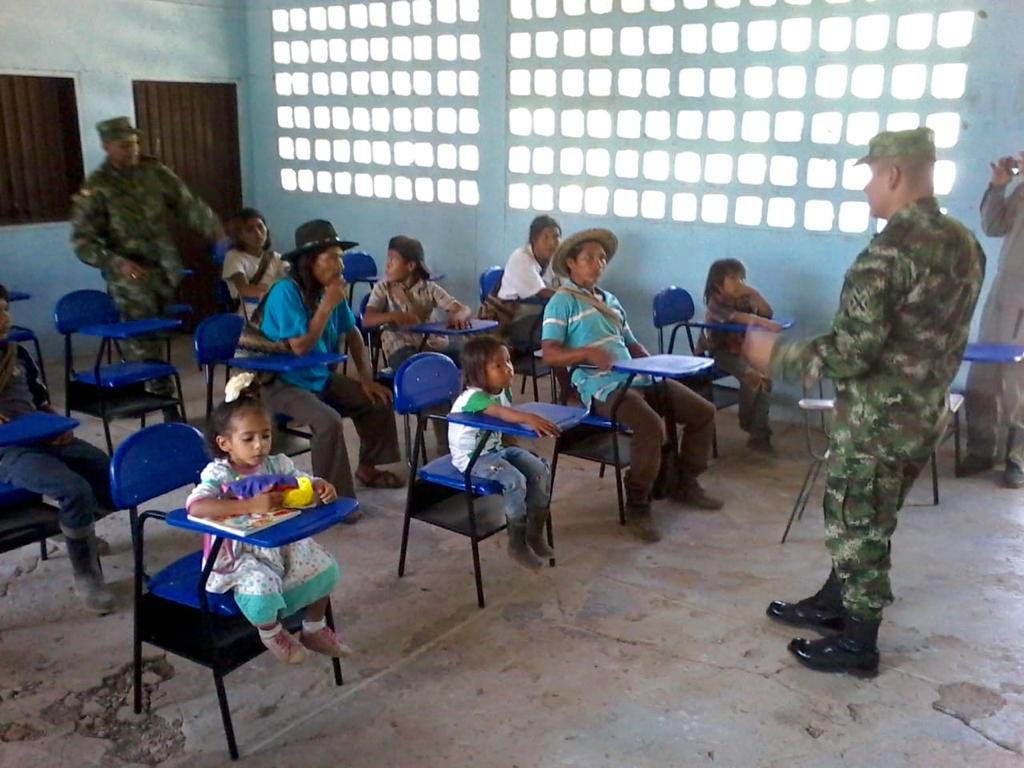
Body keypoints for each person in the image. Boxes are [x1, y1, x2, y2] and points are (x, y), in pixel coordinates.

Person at [744, 127, 985, 676]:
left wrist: (775, 355)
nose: (866, 188)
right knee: (874, 513)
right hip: (926, 411)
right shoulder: (964, 244)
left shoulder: (889, 252)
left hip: (880, 419)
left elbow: (852, 352)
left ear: (893, 174)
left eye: (871, 176)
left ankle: (858, 643)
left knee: (857, 522)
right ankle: (835, 601)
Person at [540, 229, 721, 544]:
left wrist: (656, 366)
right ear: (571, 263)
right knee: (650, 426)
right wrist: (586, 353)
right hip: (603, 385)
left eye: (602, 259)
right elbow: (550, 354)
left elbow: (632, 343)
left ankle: (685, 481)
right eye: (589, 258)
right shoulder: (562, 301)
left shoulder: (610, 300)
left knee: (703, 412)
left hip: (638, 376)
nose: (598, 264)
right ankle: (638, 503)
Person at [185, 374, 350, 664]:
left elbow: (301, 481)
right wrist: (249, 505)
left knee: (324, 565)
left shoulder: (277, 464)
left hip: (278, 544)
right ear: (225, 443)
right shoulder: (220, 474)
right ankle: (271, 632)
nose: (259, 446)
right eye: (248, 439)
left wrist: (320, 485)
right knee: (260, 586)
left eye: (265, 435)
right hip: (238, 555)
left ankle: (313, 628)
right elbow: (196, 508)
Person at [70, 116, 222, 421]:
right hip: (129, 278)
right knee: (143, 345)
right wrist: (117, 262)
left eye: (135, 143)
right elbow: (82, 241)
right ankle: (167, 408)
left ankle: (155, 397)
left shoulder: (154, 173)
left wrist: (216, 231)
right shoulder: (97, 187)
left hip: (164, 271)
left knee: (157, 338)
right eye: (124, 145)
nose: (132, 150)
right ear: (106, 146)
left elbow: (187, 204)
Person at [259, 219, 402, 500]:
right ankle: (334, 497)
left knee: (377, 400)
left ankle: (368, 468)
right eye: (332, 258)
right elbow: (300, 347)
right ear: (309, 262)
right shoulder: (286, 292)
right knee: (328, 422)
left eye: (340, 258)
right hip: (280, 383)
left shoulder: (329, 291)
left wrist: (366, 379)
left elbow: (353, 334)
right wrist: (326, 307)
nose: (340, 266)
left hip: (318, 377)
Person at [0, 285, 116, 614]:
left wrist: (58, 427)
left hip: (42, 435)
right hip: (7, 452)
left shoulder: (17, 353)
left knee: (109, 474)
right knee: (74, 489)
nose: (4, 318)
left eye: (5, 309)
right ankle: (87, 573)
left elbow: (40, 401)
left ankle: (72, 527)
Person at [448, 336, 560, 569]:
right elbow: (501, 414)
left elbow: (504, 425)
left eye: (508, 361)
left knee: (539, 470)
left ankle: (534, 534)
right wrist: (529, 418)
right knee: (514, 480)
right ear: (478, 373)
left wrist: (516, 446)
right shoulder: (473, 397)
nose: (508, 368)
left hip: (496, 448)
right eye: (498, 365)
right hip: (473, 458)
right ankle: (516, 544)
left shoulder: (502, 391)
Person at [961, 152, 1024, 489]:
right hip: (1004, 291)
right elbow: (993, 226)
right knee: (983, 374)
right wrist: (998, 187)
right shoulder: (1021, 192)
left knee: (1019, 382)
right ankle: (982, 448)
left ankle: (1019, 458)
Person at [697, 259, 781, 452]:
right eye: (733, 279)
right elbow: (742, 318)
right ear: (718, 283)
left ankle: (759, 435)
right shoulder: (715, 303)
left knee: (766, 380)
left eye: (741, 278)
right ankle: (748, 422)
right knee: (752, 376)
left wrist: (755, 294)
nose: (740, 283)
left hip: (744, 350)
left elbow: (767, 312)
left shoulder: (744, 299)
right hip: (720, 352)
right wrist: (764, 324)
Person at [363, 235, 472, 371]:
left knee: (469, 355)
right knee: (419, 367)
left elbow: (462, 308)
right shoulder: (383, 288)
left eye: (393, 259)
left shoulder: (428, 288)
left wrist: (459, 315)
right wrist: (393, 316)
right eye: (388, 258)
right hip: (401, 348)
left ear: (410, 266)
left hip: (432, 345)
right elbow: (367, 320)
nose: (387, 265)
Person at [493, 215, 562, 348]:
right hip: (512, 316)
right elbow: (542, 292)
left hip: (536, 312)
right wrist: (574, 295)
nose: (552, 242)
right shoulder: (521, 258)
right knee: (563, 333)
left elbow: (564, 284)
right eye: (546, 237)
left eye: (556, 237)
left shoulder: (554, 259)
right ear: (534, 239)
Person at [221, 208, 288, 313]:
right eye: (249, 229)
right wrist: (275, 292)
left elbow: (292, 277)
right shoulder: (233, 256)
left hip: (279, 308)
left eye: (260, 227)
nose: (258, 233)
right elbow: (244, 289)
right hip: (252, 314)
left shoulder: (276, 257)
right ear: (240, 235)